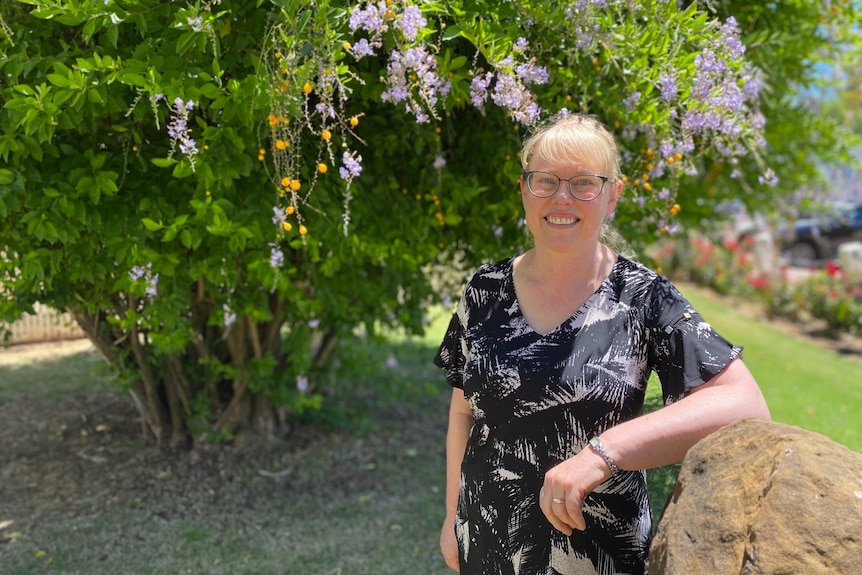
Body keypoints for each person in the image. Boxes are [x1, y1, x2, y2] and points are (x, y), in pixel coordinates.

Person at [433, 113, 771, 575]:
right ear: (523, 189)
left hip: (598, 559)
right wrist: (453, 515)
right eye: (545, 180)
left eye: (584, 183)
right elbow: (462, 411)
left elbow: (745, 403)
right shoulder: (483, 289)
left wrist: (602, 453)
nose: (562, 197)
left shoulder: (643, 297)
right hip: (487, 544)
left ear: (613, 195)